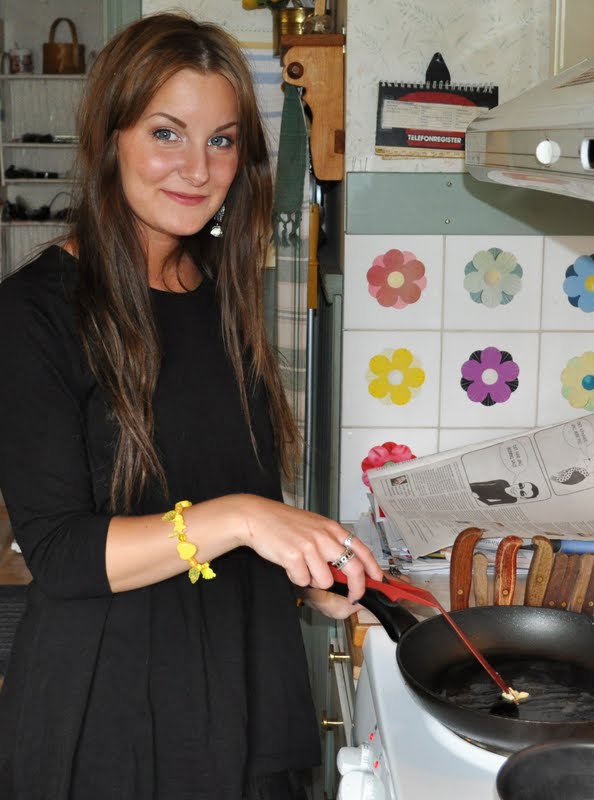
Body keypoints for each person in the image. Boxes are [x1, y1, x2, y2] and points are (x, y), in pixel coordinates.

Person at [0, 13, 382, 800]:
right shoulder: (33, 313)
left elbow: (222, 488)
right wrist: (246, 517)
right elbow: (61, 552)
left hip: (244, 680)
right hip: (113, 714)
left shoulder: (219, 289)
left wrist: (299, 566)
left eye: (222, 140)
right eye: (166, 133)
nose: (198, 169)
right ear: (110, 138)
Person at [469, 479, 540, 505]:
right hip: (472, 487)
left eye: (522, 493)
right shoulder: (502, 482)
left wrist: (478, 497)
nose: (517, 489)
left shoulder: (511, 500)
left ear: (522, 498)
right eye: (520, 485)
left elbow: (490, 503)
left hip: (475, 496)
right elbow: (482, 483)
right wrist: (469, 486)